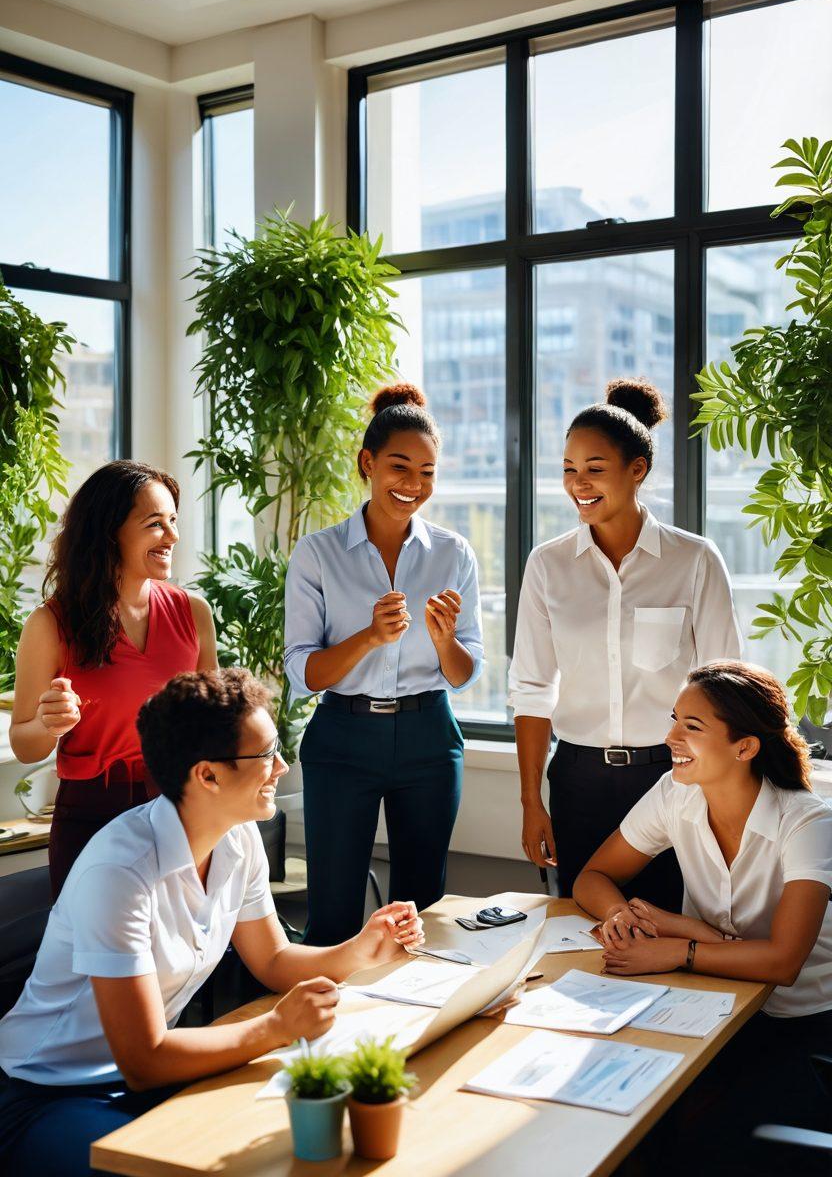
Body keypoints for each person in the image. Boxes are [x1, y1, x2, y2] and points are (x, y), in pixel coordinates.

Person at [0, 668, 424, 1177]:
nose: (282, 766)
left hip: (149, 1079)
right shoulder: (120, 872)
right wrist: (276, 1027)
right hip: (47, 1094)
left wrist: (361, 949)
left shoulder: (237, 838)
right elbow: (144, 1058)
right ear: (207, 775)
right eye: (265, 754)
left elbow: (272, 959)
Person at [572, 660, 832, 1177]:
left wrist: (680, 946)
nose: (670, 738)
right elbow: (593, 876)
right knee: (610, 1103)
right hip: (711, 1003)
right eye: (675, 720)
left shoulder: (809, 823)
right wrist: (619, 913)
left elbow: (782, 963)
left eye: (691, 726)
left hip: (800, 1022)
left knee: (700, 1145)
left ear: (745, 747)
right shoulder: (675, 793)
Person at [510, 377, 741, 910]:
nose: (579, 484)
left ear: (637, 469)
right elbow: (532, 689)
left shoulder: (695, 560)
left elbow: (726, 685)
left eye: (595, 469)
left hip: (676, 776)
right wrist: (531, 802)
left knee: (671, 922)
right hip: (578, 781)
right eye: (569, 469)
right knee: (580, 927)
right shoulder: (547, 565)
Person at [284, 382, 483, 945]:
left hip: (429, 737)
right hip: (342, 738)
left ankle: (417, 1003)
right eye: (400, 467)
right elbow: (303, 673)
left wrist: (444, 641)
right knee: (334, 914)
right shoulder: (318, 553)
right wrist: (370, 637)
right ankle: (330, 1004)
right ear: (368, 463)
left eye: (427, 472)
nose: (413, 484)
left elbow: (465, 673)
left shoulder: (453, 553)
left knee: (424, 912)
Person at [9, 460, 219, 898]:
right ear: (109, 532)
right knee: (90, 943)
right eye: (155, 524)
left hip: (179, 810)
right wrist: (49, 724)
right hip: (92, 818)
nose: (172, 536)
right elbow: (25, 745)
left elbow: (214, 726)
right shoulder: (50, 624)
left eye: (173, 521)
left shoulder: (194, 613)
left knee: (179, 941)